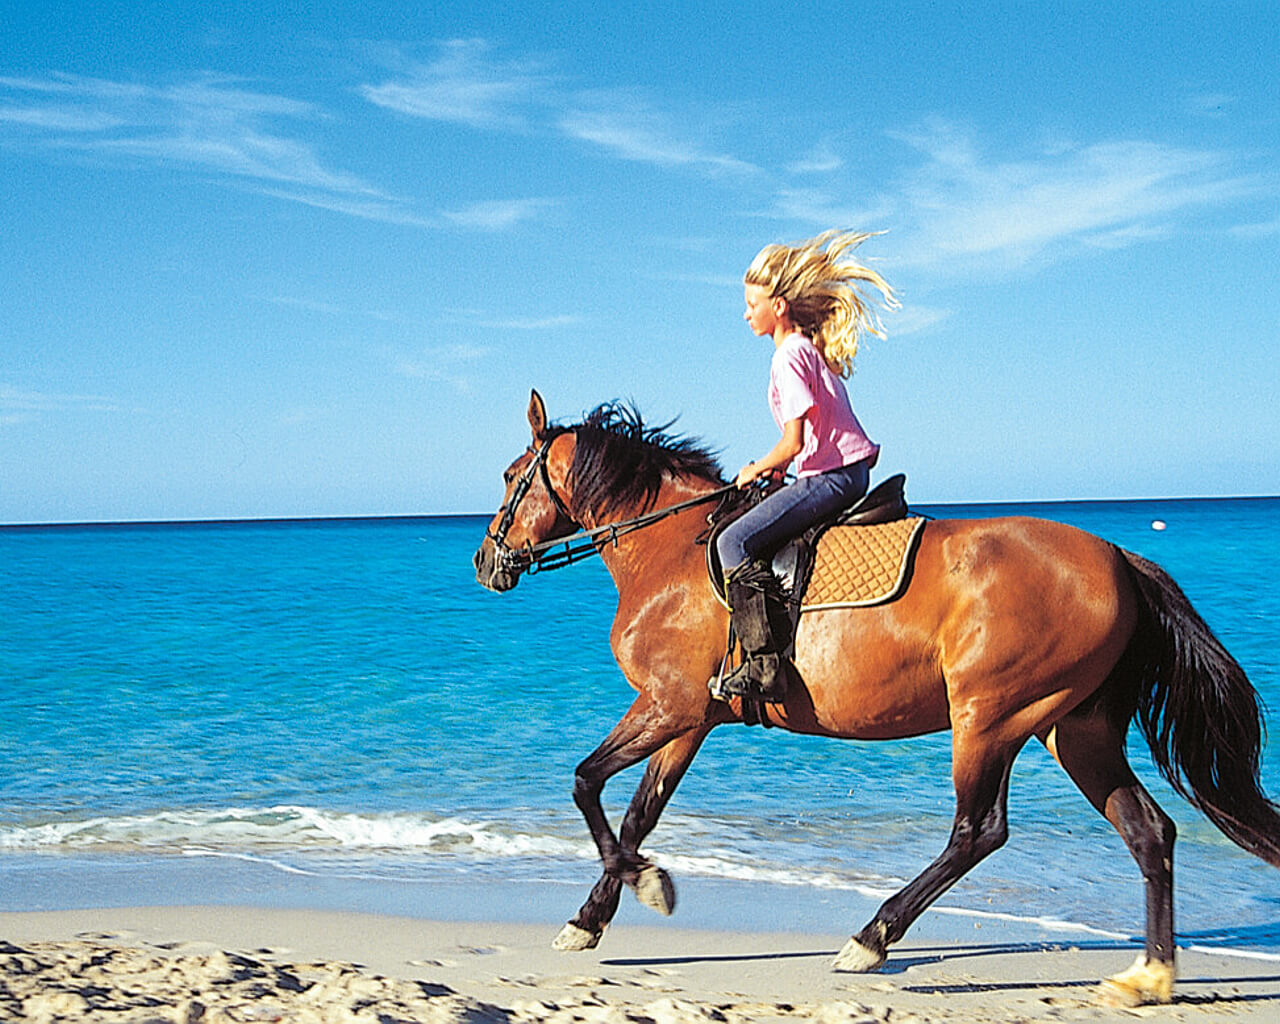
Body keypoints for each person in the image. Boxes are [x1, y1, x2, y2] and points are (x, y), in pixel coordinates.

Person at [713, 229, 898, 703]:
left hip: (831, 477)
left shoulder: (788, 356)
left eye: (752, 303)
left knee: (733, 540)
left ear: (778, 306)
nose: (745, 313)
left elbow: (793, 442)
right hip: (844, 471)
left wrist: (757, 468)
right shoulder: (807, 350)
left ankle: (762, 664)